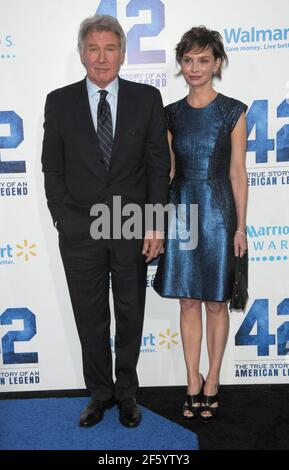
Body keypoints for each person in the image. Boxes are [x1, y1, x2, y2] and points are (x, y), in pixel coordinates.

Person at [41, 14, 170, 428]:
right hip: (80, 229)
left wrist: (156, 223)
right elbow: (52, 168)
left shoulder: (147, 99)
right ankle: (99, 393)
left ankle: (127, 394)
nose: (101, 58)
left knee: (131, 312)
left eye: (110, 48)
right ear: (81, 54)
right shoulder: (58, 101)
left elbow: (157, 165)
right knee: (90, 316)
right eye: (93, 49)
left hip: (132, 224)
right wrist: (62, 216)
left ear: (123, 53)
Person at [154, 26, 248, 421]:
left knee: (215, 303)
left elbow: (238, 173)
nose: (194, 68)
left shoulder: (233, 110)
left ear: (217, 63)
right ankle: (192, 381)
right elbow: (168, 172)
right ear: (180, 64)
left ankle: (214, 381)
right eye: (188, 60)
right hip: (181, 212)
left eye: (203, 60)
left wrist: (241, 227)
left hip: (219, 213)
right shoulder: (171, 113)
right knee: (188, 301)